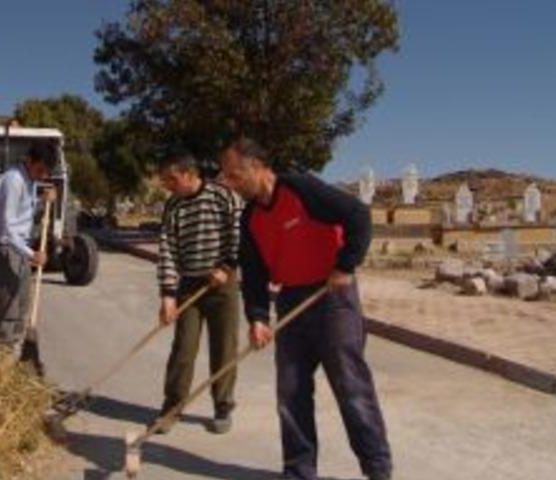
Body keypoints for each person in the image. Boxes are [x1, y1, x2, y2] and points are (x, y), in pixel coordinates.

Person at [219, 137, 392, 480]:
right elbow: (253, 273)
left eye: (235, 175)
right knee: (291, 392)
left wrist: (346, 265)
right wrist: (256, 318)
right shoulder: (250, 218)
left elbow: (357, 215)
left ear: (257, 167)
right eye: (227, 176)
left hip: (332, 299)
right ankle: (299, 471)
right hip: (290, 302)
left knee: (352, 389)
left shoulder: (300, 188)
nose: (230, 183)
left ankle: (378, 471)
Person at [155, 149, 242, 434]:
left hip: (222, 284)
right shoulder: (173, 206)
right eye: (165, 180)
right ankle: (172, 408)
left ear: (189, 174)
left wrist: (226, 267)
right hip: (189, 285)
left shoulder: (223, 196)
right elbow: (167, 249)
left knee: (224, 349)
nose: (168, 185)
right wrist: (168, 294)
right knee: (183, 348)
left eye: (172, 179)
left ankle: (223, 407)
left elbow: (240, 234)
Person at [0, 142, 55, 355]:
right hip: (6, 249)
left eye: (46, 172)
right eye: (40, 170)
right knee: (9, 308)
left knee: (23, 305)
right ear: (29, 160)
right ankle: (3, 360)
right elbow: (8, 226)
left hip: (20, 249)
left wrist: (42, 201)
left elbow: (23, 209)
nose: (43, 176)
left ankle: (16, 352)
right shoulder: (13, 180)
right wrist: (32, 254)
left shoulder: (29, 179)